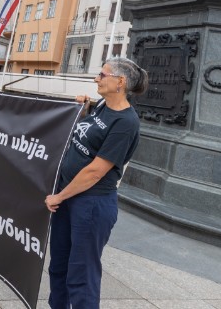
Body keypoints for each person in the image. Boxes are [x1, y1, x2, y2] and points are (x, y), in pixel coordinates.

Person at [44, 57, 148, 309]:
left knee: (82, 276)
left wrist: (59, 196)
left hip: (90, 205)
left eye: (102, 75)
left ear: (120, 82)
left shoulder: (126, 122)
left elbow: (95, 171)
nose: (96, 78)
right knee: (58, 267)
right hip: (69, 198)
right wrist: (83, 109)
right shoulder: (102, 104)